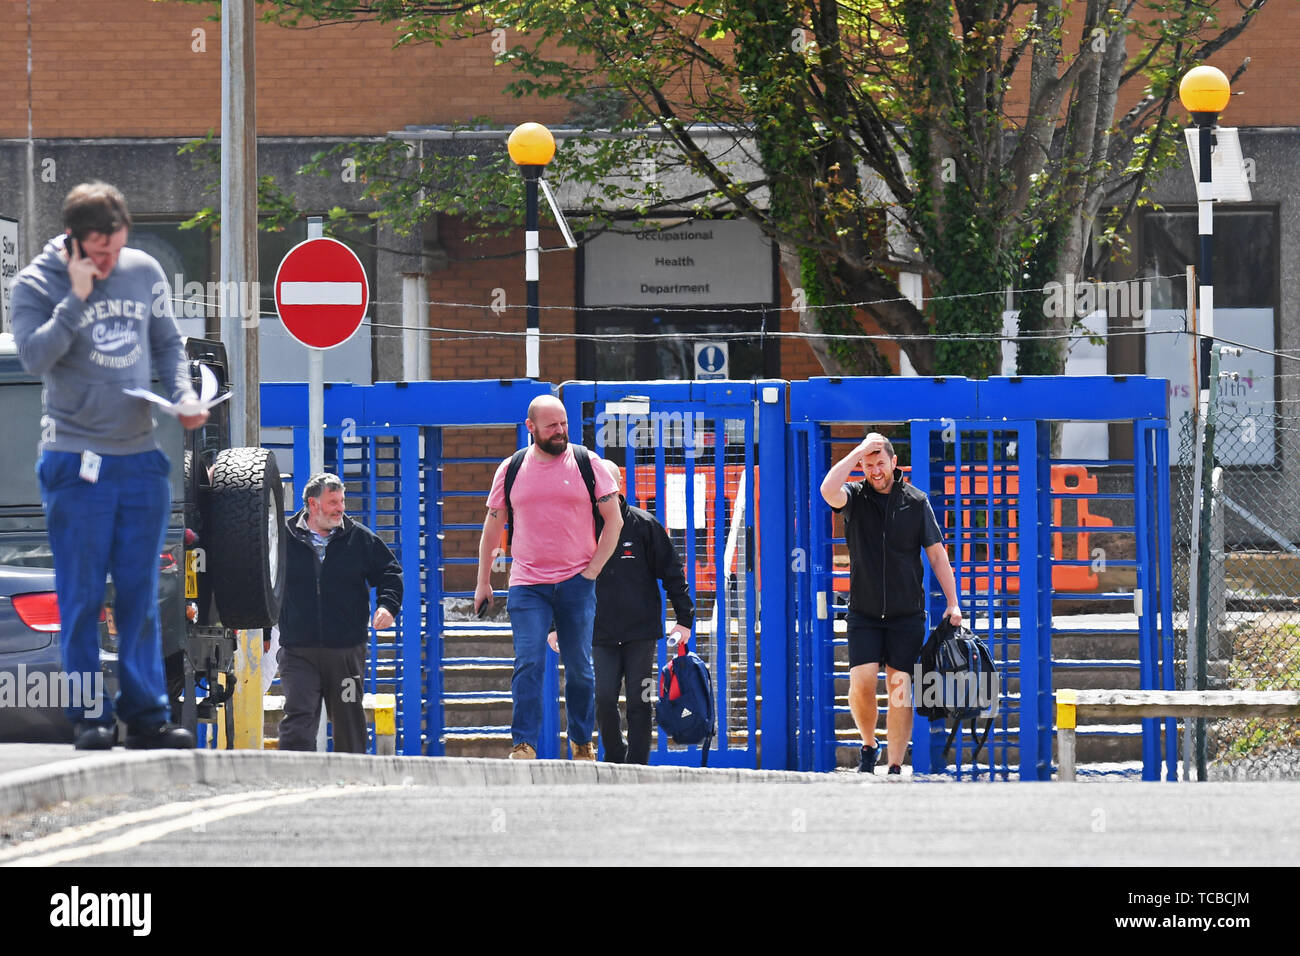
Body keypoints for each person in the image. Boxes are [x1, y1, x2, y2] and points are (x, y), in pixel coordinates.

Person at [10, 181, 207, 749]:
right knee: (82, 594)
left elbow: (169, 345)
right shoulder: (36, 284)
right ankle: (89, 716)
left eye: (116, 247)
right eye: (99, 250)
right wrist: (75, 298)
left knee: (142, 594)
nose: (109, 260)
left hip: (141, 459)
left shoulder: (143, 270)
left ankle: (147, 716)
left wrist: (184, 394)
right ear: (72, 239)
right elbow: (33, 356)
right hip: (76, 461)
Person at [475, 395, 623, 760]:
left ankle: (580, 741)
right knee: (529, 661)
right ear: (531, 428)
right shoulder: (511, 469)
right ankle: (524, 744)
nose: (560, 432)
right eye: (551, 426)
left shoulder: (588, 463)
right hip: (528, 583)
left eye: (564, 424)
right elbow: (492, 528)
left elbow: (614, 520)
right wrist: (483, 581)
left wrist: (592, 571)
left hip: (577, 582)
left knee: (579, 670)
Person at [820, 432, 962, 775]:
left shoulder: (916, 501)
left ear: (894, 462)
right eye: (868, 465)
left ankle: (895, 766)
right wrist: (857, 451)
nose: (875, 470)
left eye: (880, 462)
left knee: (900, 688)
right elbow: (827, 490)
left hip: (906, 614)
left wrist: (953, 603)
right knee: (862, 683)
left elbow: (937, 555)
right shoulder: (853, 496)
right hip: (864, 613)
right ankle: (869, 744)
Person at [551, 459, 694, 764]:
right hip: (599, 632)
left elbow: (672, 574)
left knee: (640, 702)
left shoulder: (644, 525)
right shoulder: (582, 527)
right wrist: (555, 625)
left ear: (616, 487)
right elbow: (562, 579)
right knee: (603, 699)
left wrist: (684, 619)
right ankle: (615, 759)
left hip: (641, 633)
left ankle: (638, 765)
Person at [278, 473, 403, 753]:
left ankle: (354, 782)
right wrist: (263, 628)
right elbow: (264, 583)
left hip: (345, 653)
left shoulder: (359, 539)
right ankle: (290, 779)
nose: (340, 508)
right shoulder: (283, 538)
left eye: (342, 501)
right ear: (313, 504)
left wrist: (388, 606)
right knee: (299, 715)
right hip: (298, 651)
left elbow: (390, 573)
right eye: (333, 502)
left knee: (348, 717)